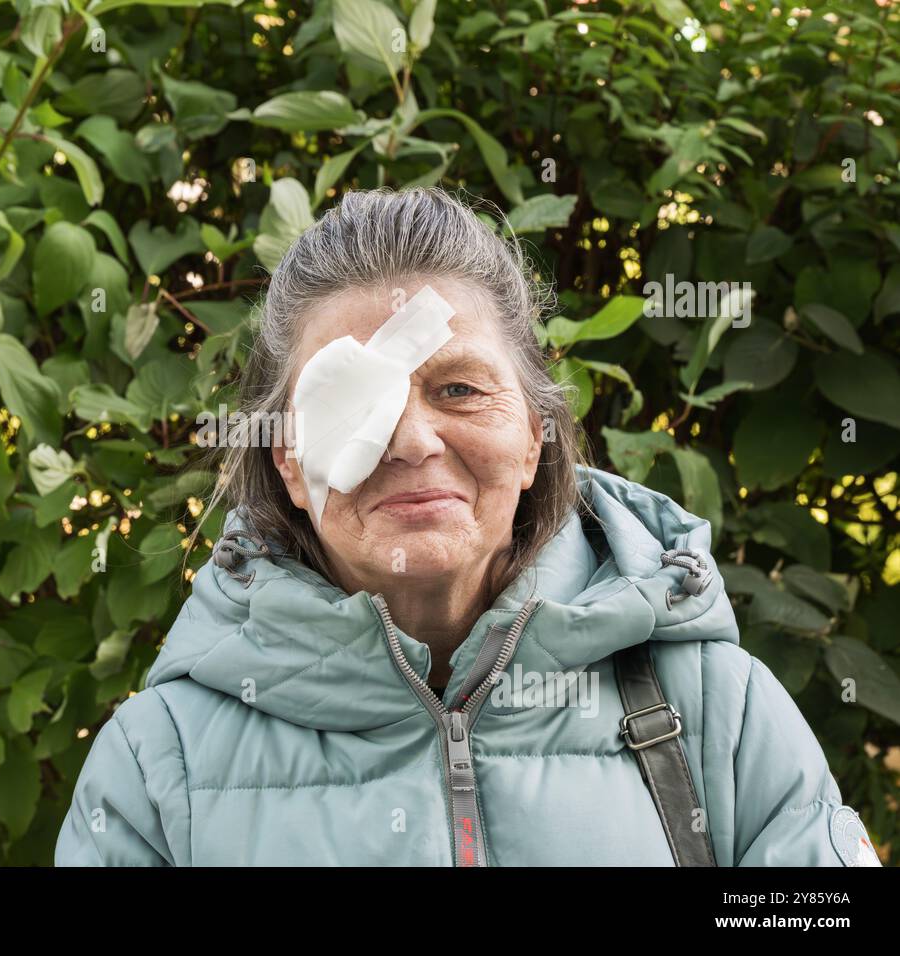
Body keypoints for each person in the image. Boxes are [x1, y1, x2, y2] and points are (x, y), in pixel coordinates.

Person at [55, 187, 879, 866]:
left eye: (459, 390)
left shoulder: (719, 716)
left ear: (532, 437)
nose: (412, 442)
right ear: (289, 466)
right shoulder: (157, 766)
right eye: (351, 406)